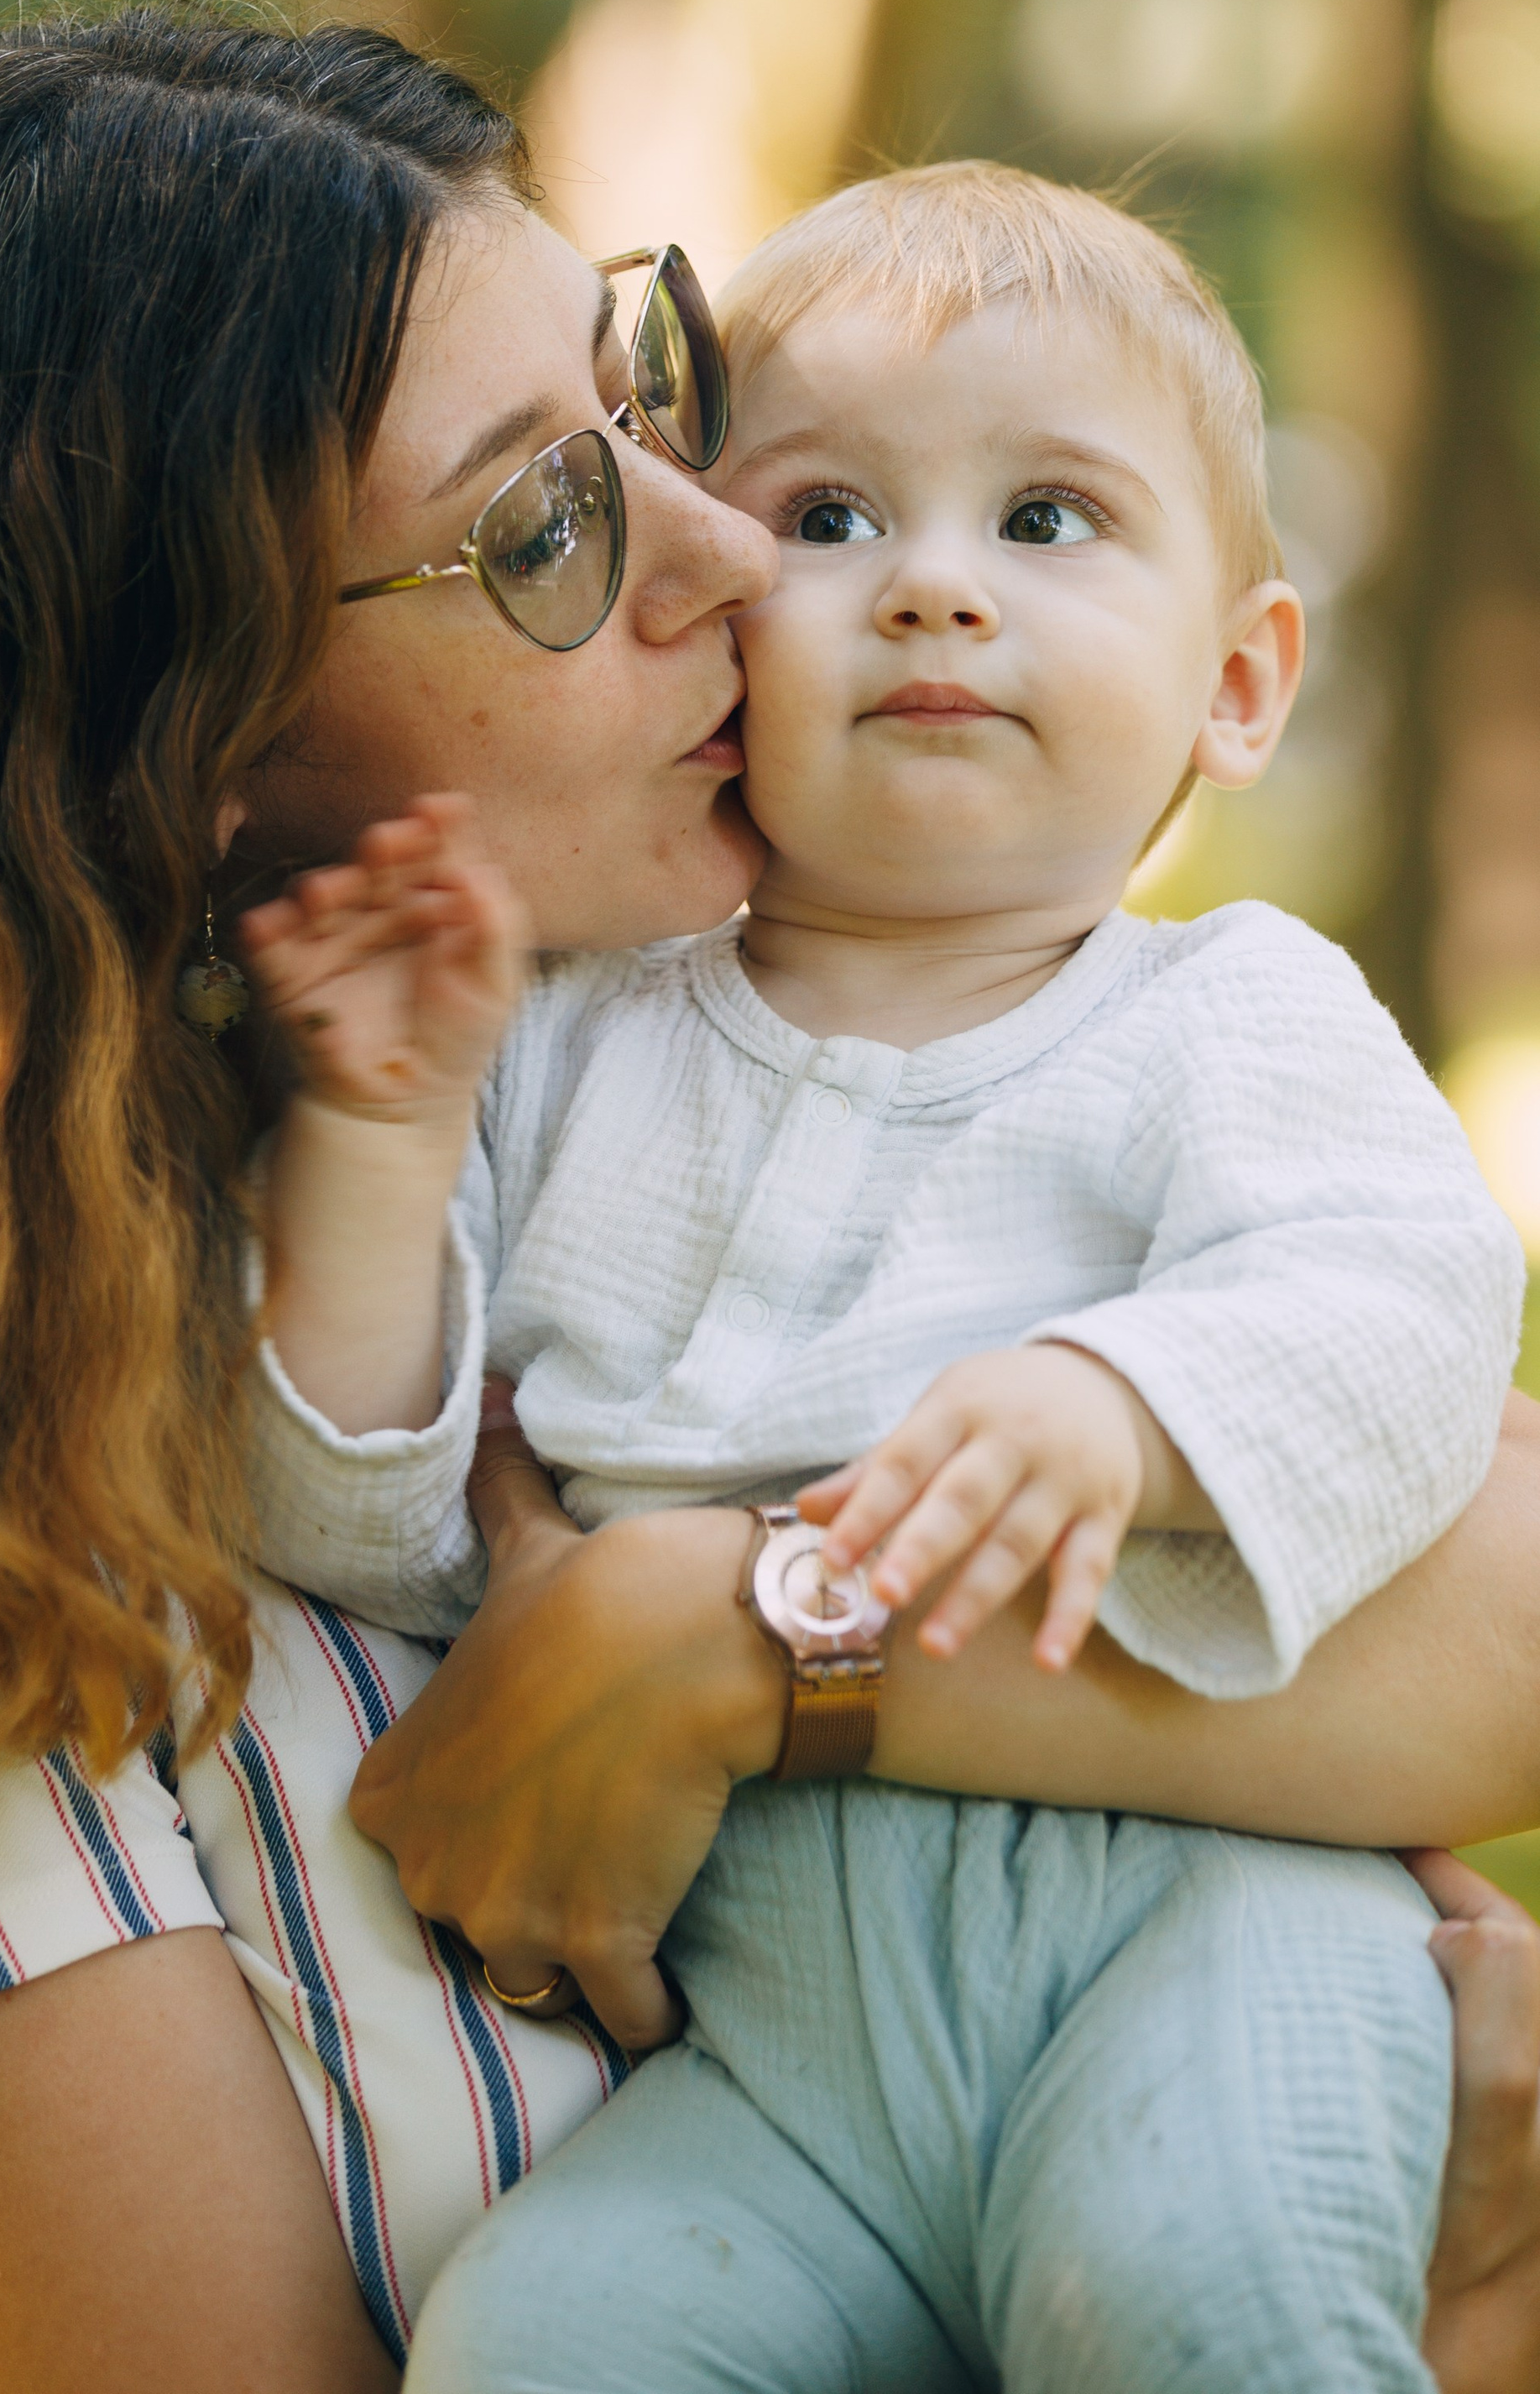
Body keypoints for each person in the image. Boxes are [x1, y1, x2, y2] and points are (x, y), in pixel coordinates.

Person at [0, 13, 1540, 2394]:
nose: (733, 543)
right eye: (542, 520)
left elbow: (1492, 1559)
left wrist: (725, 1633)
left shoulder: (1069, 1046)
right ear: (177, 752)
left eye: (646, 403)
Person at [241, 161, 1525, 2387]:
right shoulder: (566, 1042)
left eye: (1048, 522)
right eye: (829, 519)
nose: (931, 590)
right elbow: (356, 1514)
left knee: (1202, 2293)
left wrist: (1130, 1406)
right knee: (532, 2342)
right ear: (723, 616)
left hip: (1201, 1917)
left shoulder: (1229, 1013)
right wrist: (376, 1140)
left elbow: (1406, 1312)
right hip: (774, 2068)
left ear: (1239, 681)